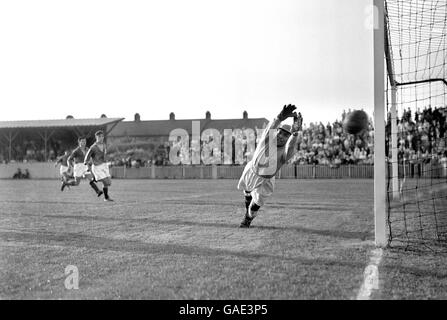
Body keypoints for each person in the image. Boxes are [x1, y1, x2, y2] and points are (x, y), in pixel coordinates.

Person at [237, 104, 303, 228]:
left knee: (255, 206)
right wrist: (280, 117)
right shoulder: (267, 139)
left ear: (288, 138)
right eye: (280, 132)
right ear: (277, 131)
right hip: (251, 170)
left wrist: (295, 134)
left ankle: (248, 217)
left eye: (286, 135)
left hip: (265, 180)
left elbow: (291, 146)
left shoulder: (285, 153)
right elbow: (271, 127)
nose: (282, 136)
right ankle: (247, 209)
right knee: (246, 189)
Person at [84, 131, 114, 201]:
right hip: (97, 167)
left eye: (102, 136)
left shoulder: (104, 144)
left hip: (104, 165)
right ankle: (94, 179)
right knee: (106, 182)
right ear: (96, 137)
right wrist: (88, 165)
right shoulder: (93, 147)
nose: (101, 138)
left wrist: (107, 160)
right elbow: (86, 158)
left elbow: (104, 154)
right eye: (99, 136)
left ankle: (106, 198)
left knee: (108, 183)